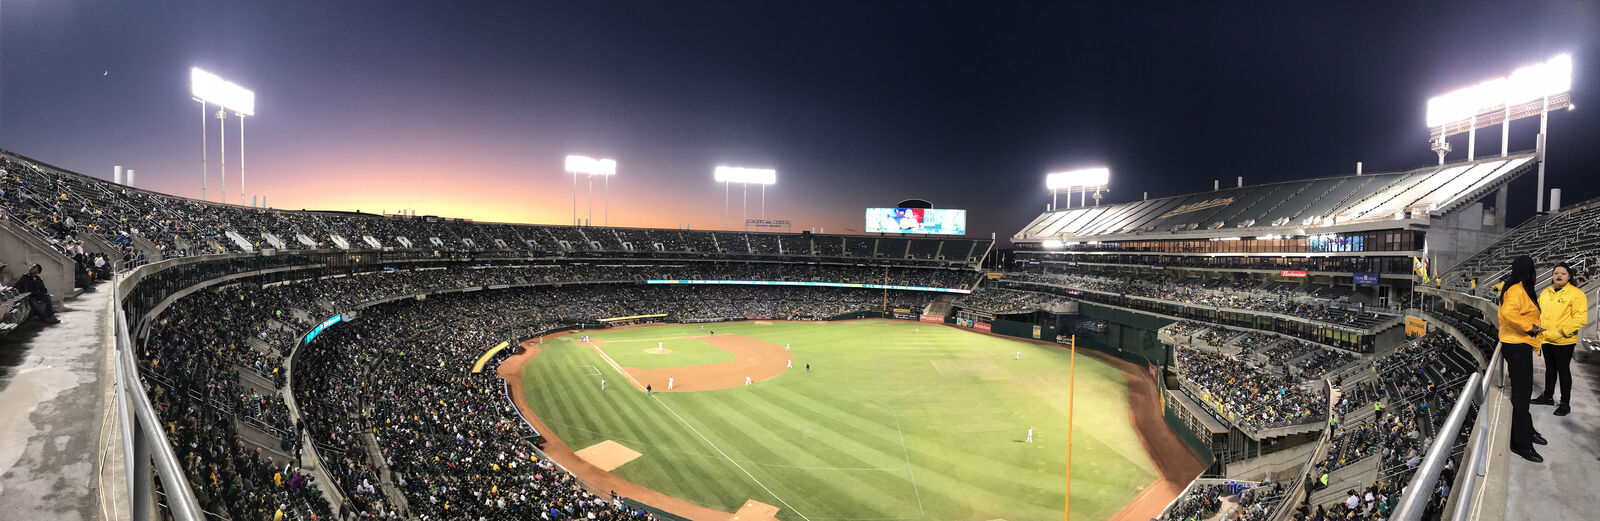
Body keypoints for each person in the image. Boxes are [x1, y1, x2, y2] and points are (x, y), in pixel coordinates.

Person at [1498, 256, 1547, 462]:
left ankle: (1527, 429)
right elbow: (1508, 314)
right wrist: (1531, 327)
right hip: (1517, 345)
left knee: (1523, 393)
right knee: (1521, 394)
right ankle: (1520, 443)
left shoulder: (1517, 287)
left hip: (1518, 344)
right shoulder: (1518, 289)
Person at [1533, 263, 1588, 416]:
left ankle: (1565, 403)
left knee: (1563, 371)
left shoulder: (1576, 294)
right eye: (1556, 272)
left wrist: (1562, 332)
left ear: (1569, 276)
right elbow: (1539, 312)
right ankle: (1548, 396)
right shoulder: (1546, 292)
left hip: (1564, 341)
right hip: (1546, 338)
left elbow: (1580, 318)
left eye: (1563, 273)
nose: (1559, 275)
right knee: (1550, 369)